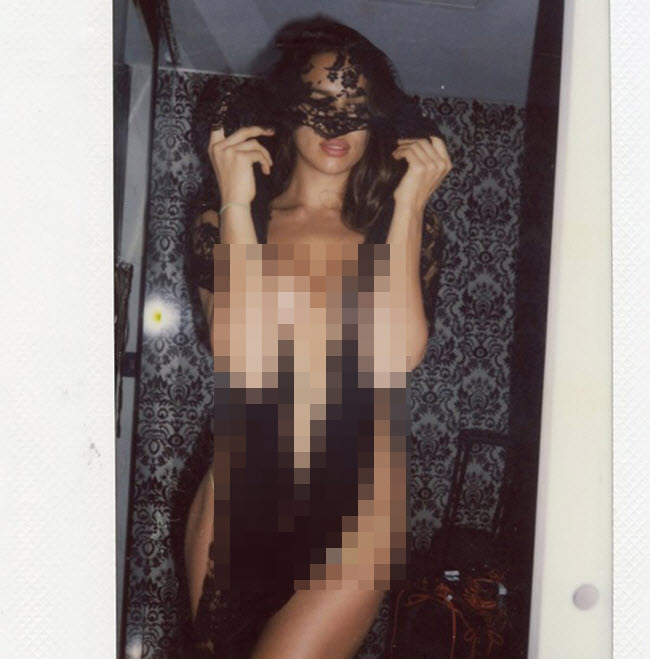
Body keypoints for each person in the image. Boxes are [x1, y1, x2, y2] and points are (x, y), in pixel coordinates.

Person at [183, 16, 451, 658]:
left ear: (380, 122)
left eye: (357, 108)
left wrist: (411, 205)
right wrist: (235, 203)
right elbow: (238, 350)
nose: (338, 124)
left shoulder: (401, 229)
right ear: (284, 111)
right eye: (320, 103)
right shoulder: (230, 219)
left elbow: (398, 354)